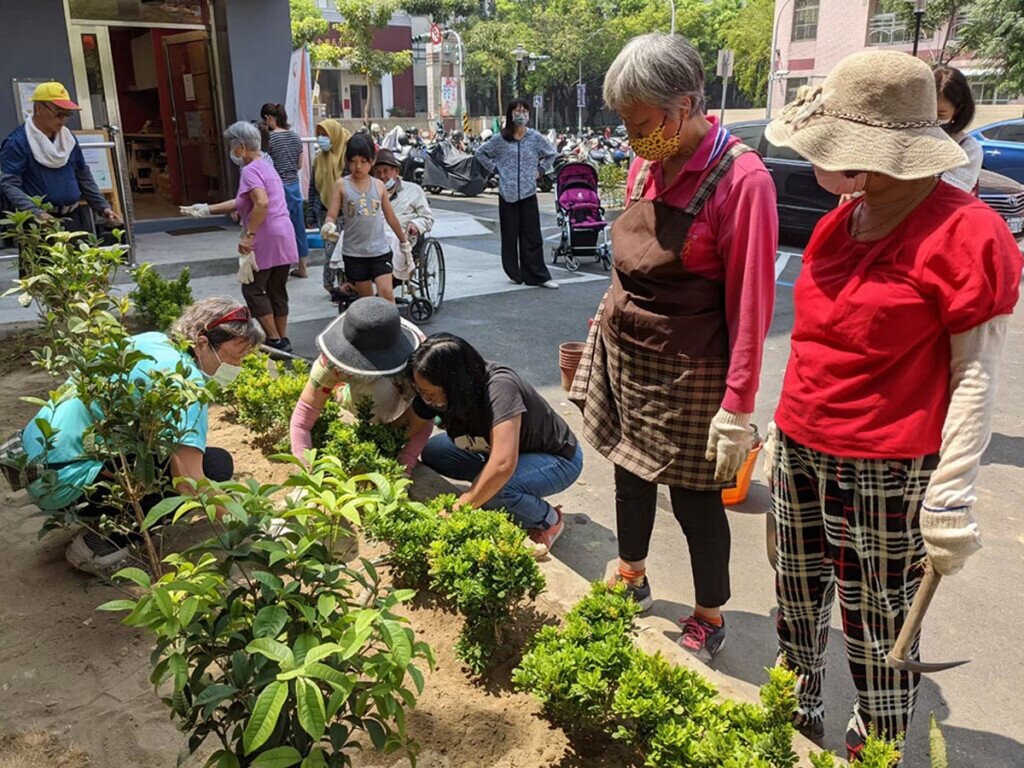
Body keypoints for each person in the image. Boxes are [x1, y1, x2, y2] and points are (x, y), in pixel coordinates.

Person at [764, 51, 1020, 760]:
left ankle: (872, 748)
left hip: (887, 465)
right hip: (798, 445)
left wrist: (952, 492)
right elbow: (815, 344)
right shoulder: (836, 224)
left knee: (879, 623)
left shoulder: (966, 233)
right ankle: (795, 717)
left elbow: (976, 374)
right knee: (794, 602)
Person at [569, 32, 777, 662]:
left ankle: (708, 614)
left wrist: (737, 405)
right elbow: (627, 259)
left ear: (683, 105)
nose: (632, 140)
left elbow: (751, 307)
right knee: (628, 473)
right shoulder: (644, 162)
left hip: (693, 369)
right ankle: (630, 573)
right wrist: (602, 320)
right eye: (625, 125)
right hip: (628, 349)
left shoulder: (743, 182)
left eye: (640, 123)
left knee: (694, 498)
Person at [19, 297, 264, 574]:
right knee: (212, 468)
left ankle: (105, 515)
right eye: (234, 357)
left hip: (35, 462)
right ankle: (100, 544)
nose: (236, 367)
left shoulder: (153, 340)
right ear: (203, 342)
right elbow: (189, 483)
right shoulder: (186, 383)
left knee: (206, 459)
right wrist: (251, 526)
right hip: (65, 481)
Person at [412, 334, 583, 555]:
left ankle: (547, 519)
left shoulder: (500, 388)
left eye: (430, 394)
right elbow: (410, 426)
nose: (427, 400)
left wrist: (460, 507)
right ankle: (497, 489)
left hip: (557, 459)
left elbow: (502, 464)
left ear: (454, 385)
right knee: (435, 452)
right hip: (496, 451)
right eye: (422, 392)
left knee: (496, 489)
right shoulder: (444, 391)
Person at [181, 122, 299, 352]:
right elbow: (243, 202)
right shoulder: (266, 166)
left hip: (266, 235)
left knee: (253, 289)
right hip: (284, 233)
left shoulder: (250, 170)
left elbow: (261, 202)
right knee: (276, 288)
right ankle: (282, 339)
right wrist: (206, 208)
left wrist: (249, 236)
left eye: (231, 145)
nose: (231, 151)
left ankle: (274, 340)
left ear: (240, 146)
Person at [290, 297, 433, 474]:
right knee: (373, 394)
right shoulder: (330, 364)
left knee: (386, 396)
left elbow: (425, 418)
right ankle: (348, 398)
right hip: (358, 395)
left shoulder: (420, 360)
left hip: (400, 393)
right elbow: (304, 415)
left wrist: (405, 461)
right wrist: (304, 466)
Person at [0, 82, 122, 247]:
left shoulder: (68, 139)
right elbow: (9, 184)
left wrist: (102, 207)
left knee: (82, 271)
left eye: (67, 114)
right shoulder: (17, 142)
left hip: (74, 218)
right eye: (59, 113)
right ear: (38, 109)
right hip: (40, 224)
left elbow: (82, 174)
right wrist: (37, 213)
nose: (63, 119)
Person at [476, 99, 559, 289]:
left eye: (524, 111)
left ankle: (538, 276)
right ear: (510, 114)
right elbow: (480, 154)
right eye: (517, 110)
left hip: (529, 192)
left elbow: (551, 154)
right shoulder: (500, 139)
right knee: (510, 234)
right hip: (508, 193)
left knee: (532, 236)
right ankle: (514, 273)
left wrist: (541, 170)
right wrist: (497, 169)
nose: (521, 114)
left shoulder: (535, 137)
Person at [321, 133, 411, 303]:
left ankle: (391, 328)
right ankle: (373, 329)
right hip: (354, 254)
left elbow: (391, 218)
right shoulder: (341, 185)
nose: (358, 166)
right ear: (347, 161)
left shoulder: (378, 186)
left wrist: (404, 242)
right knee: (368, 300)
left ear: (372, 161)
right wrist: (328, 225)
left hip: (380, 251)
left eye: (363, 161)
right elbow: (331, 214)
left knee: (387, 294)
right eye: (353, 161)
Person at [261, 102, 311, 277]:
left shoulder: (271, 139)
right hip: (294, 186)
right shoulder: (295, 137)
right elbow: (299, 165)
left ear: (268, 118)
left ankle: (280, 269)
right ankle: (303, 267)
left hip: (277, 189)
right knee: (298, 227)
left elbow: (266, 164)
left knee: (278, 228)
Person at [309, 119, 352, 298]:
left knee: (343, 249)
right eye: (319, 134)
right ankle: (329, 283)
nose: (321, 138)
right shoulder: (319, 160)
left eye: (325, 134)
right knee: (330, 248)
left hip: (346, 212)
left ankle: (344, 283)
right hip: (324, 211)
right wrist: (310, 215)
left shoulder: (347, 157)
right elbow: (313, 187)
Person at [935, 65, 983, 194]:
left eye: (941, 114)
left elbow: (948, 196)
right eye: (928, 112)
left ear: (958, 109)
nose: (933, 120)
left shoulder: (967, 149)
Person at [371, 147, 434, 243]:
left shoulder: (414, 190)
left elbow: (427, 218)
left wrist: (415, 225)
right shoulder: (369, 192)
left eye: (386, 171)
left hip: (402, 240)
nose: (382, 176)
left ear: (396, 171)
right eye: (378, 172)